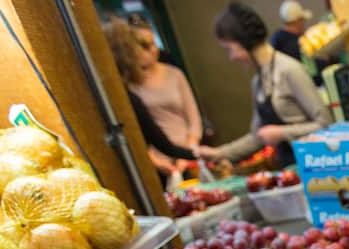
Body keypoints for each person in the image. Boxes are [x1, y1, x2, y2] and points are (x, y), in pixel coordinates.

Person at [195, 3, 333, 170]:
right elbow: (257, 136)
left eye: (230, 49)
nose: (231, 57)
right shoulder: (258, 81)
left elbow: (325, 123)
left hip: (314, 165)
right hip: (289, 169)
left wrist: (282, 133)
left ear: (244, 42)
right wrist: (219, 153)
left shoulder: (289, 70)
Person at [103, 18, 195, 181]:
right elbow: (161, 144)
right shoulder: (125, 97)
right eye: (142, 46)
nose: (151, 51)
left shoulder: (173, 74)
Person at [126, 18, 203, 155]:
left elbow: (194, 119)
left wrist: (190, 149)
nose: (154, 50)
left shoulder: (175, 73)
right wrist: (153, 158)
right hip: (156, 156)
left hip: (187, 148)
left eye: (154, 43)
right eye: (145, 46)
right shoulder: (128, 84)